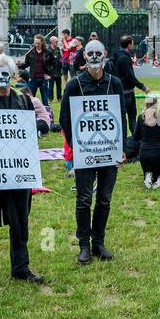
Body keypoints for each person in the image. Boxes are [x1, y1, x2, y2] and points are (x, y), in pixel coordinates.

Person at [0, 54, 45, 290]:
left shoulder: (22, 100)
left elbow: (27, 133)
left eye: (5, 72)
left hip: (19, 172)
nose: (1, 78)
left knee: (20, 221)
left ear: (12, 74)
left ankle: (20, 267)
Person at [59, 40, 126, 264]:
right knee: (84, 198)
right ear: (84, 57)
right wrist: (76, 146)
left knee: (105, 199)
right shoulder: (74, 85)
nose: (95, 57)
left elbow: (121, 117)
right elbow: (65, 119)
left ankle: (99, 242)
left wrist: (123, 148)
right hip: (85, 152)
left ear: (105, 55)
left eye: (98, 53)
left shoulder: (114, 83)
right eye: (90, 53)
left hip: (109, 152)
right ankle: (84, 245)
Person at [106, 35, 148, 132]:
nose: (133, 44)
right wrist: (143, 87)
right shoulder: (124, 58)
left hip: (118, 90)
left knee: (122, 117)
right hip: (127, 92)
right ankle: (132, 139)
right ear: (129, 45)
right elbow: (130, 76)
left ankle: (125, 140)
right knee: (131, 117)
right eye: (132, 43)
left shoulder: (116, 54)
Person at [133, 94, 160, 188]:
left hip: (145, 153)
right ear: (157, 105)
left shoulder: (141, 118)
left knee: (148, 170)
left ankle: (148, 175)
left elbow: (135, 136)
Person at [22, 35, 57, 105]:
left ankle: (47, 114)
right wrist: (20, 65)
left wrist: (50, 75)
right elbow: (26, 64)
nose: (36, 45)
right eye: (35, 43)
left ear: (42, 43)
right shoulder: (30, 52)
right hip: (33, 78)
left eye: (38, 43)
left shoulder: (48, 52)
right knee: (30, 99)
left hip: (43, 79)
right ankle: (31, 112)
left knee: (45, 100)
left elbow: (55, 64)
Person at [47, 34, 64, 102]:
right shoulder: (48, 50)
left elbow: (60, 58)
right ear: (52, 42)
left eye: (57, 41)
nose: (57, 43)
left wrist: (60, 63)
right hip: (51, 71)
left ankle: (59, 98)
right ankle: (50, 98)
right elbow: (47, 61)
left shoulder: (57, 49)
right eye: (56, 41)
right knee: (51, 86)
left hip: (58, 70)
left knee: (59, 86)